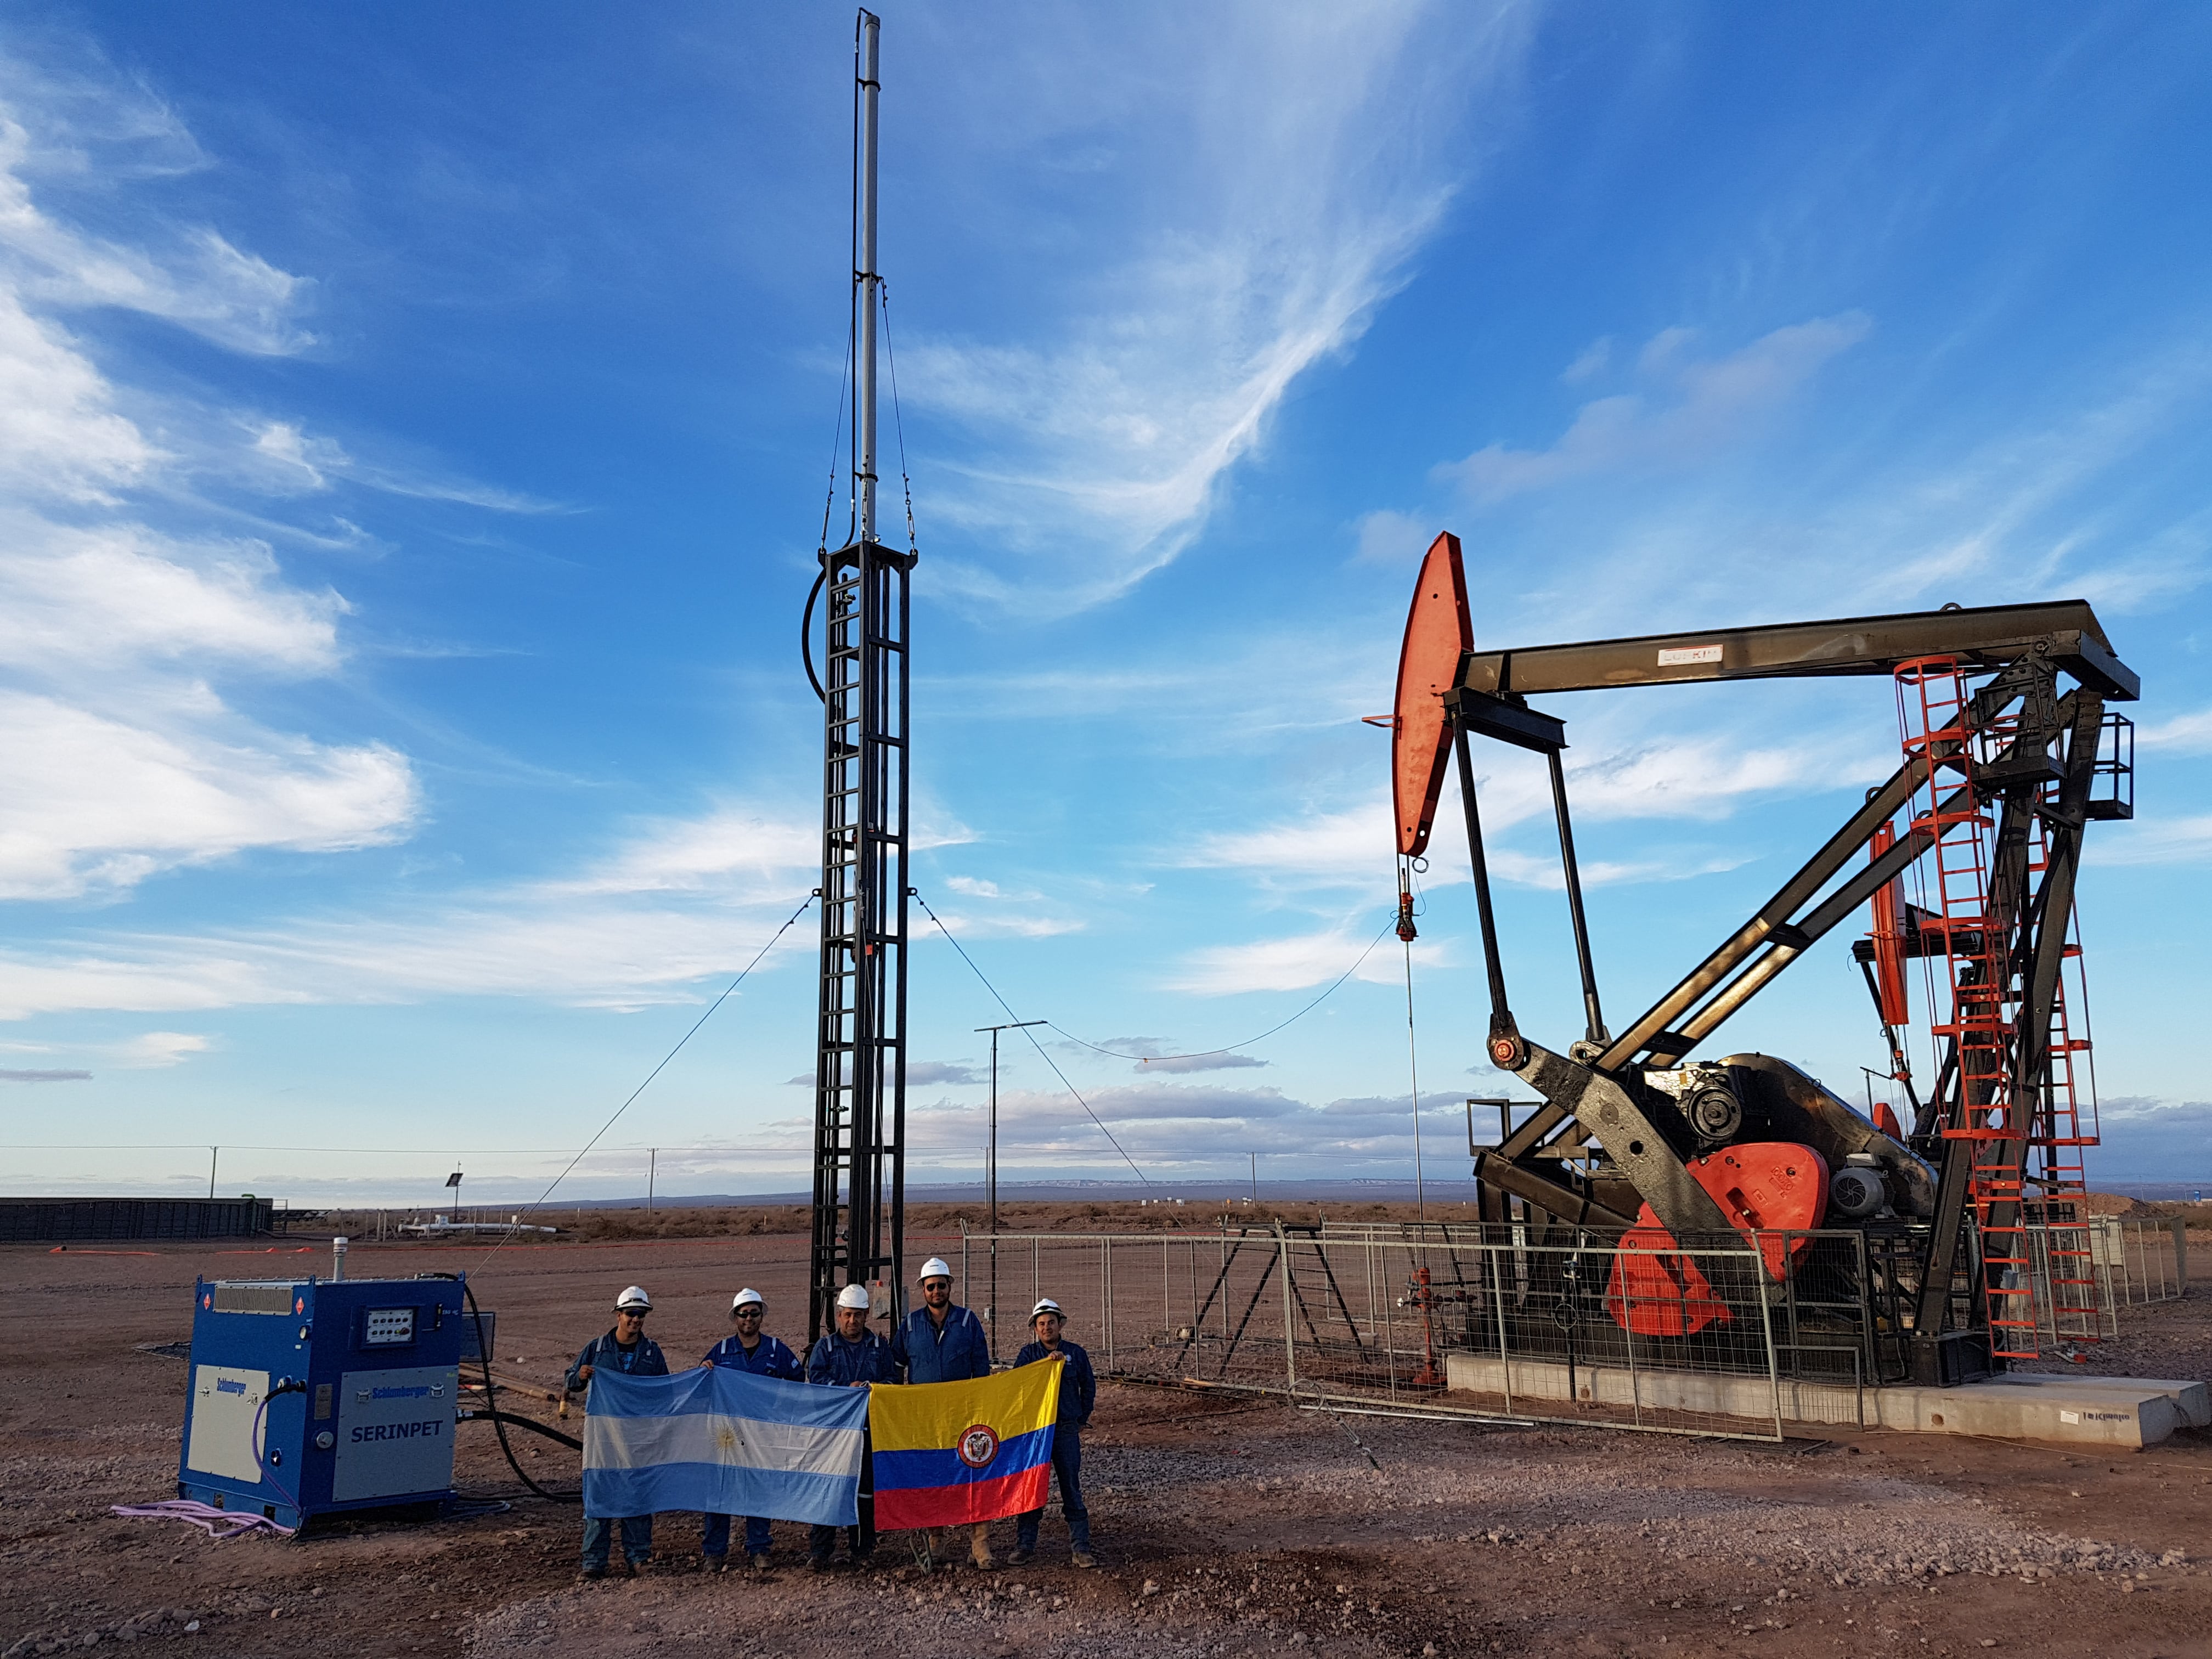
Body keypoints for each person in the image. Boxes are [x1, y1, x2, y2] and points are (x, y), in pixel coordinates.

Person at [891, 1255, 997, 1570]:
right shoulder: (909, 1325)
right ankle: (935, 1544)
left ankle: (980, 1545)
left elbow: (981, 1369)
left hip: (964, 1418)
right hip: (926, 1419)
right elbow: (897, 1369)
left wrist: (982, 1407)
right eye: (930, 1286)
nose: (936, 1291)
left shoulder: (968, 1323)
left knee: (974, 1477)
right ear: (923, 1290)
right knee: (933, 1478)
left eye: (941, 1285)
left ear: (950, 1286)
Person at [565, 1285, 669, 1579]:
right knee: (600, 1495)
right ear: (618, 1315)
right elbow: (571, 1381)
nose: (636, 1320)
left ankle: (639, 1557)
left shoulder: (651, 1353)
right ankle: (594, 1562)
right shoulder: (597, 1349)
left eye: (641, 1314)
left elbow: (665, 1390)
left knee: (637, 1495)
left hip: (639, 1438)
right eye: (631, 1314)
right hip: (604, 1439)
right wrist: (581, 1376)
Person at [698, 1287, 805, 1572]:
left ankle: (759, 1548)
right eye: (743, 1314)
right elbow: (700, 1385)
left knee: (758, 1491)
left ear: (761, 1317)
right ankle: (714, 1552)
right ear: (735, 1318)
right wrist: (704, 1369)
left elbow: (797, 1379)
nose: (749, 1319)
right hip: (727, 1436)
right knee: (720, 1491)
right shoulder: (721, 1352)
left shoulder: (775, 1350)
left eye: (754, 1314)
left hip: (761, 1436)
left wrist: (778, 1406)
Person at [805, 1282, 897, 1570]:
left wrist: (876, 1389)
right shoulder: (826, 1348)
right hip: (835, 1433)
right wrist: (846, 1389)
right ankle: (821, 1550)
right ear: (839, 1314)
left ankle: (863, 1550)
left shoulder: (879, 1347)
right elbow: (816, 1381)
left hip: (869, 1430)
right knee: (829, 1487)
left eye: (858, 1315)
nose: (852, 1321)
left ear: (867, 1314)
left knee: (865, 1490)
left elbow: (893, 1381)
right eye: (847, 1315)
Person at [1008, 1297, 1096, 1568]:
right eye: (1042, 1324)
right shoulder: (1028, 1356)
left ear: (1061, 1325)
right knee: (1032, 1487)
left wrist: (1081, 1419)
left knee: (1071, 1487)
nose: (1047, 1328)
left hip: (1066, 1430)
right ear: (1035, 1328)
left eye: (1051, 1323)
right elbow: (1016, 1388)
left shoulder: (1076, 1354)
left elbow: (1088, 1387)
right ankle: (1025, 1546)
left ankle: (1080, 1548)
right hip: (1036, 1435)